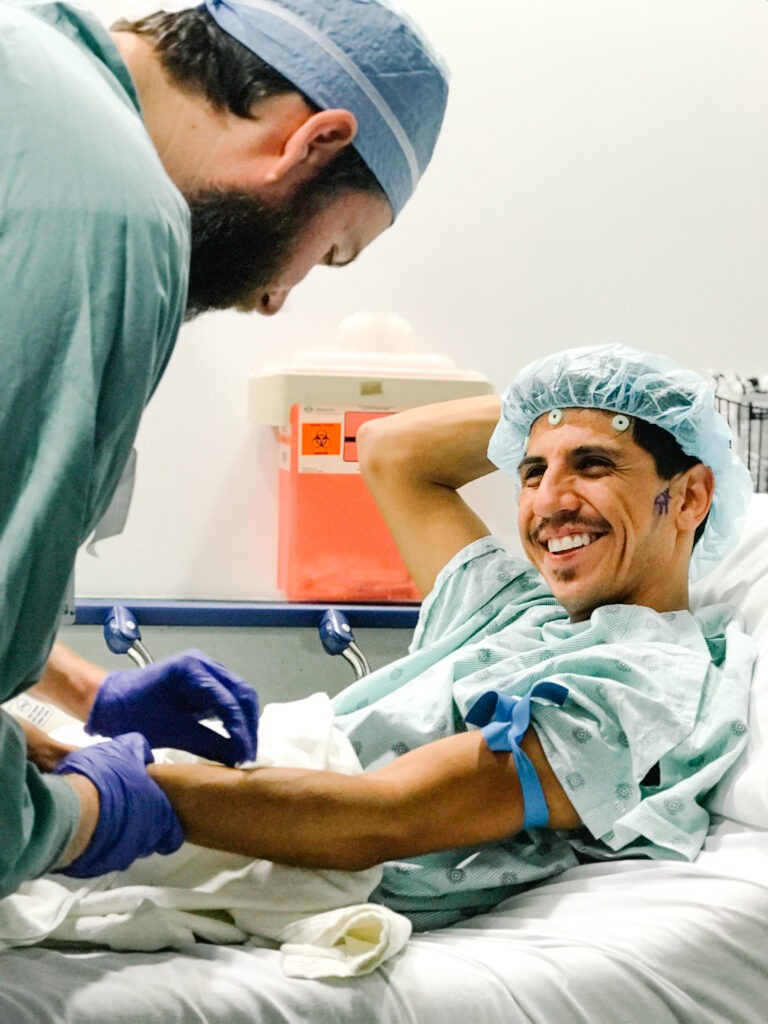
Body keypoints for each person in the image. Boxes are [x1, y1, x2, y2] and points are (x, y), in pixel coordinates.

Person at [51, 343, 756, 932]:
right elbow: (392, 451)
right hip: (252, 779)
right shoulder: (516, 608)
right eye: (532, 470)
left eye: (594, 465)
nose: (547, 501)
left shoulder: (643, 685)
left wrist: (111, 787)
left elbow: (381, 821)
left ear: (691, 495)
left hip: (298, 843)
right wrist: (578, 393)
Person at [0, 0, 448, 898]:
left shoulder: (28, 64)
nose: (278, 299)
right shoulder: (112, 213)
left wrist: (85, 695)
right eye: (332, 253)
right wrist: (83, 814)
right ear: (312, 140)